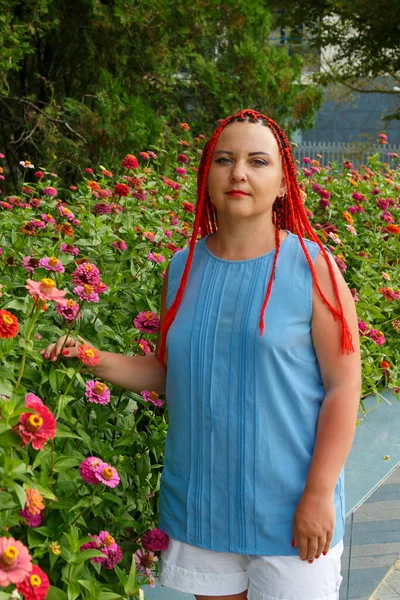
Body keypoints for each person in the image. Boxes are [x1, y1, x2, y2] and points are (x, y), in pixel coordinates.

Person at [42, 109, 362, 600]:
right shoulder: (181, 268)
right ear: (207, 177)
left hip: (293, 511)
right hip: (202, 505)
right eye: (224, 160)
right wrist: (90, 357)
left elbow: (343, 387)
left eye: (257, 161)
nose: (239, 172)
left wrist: (319, 494)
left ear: (282, 183)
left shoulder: (314, 267)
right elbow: (175, 373)